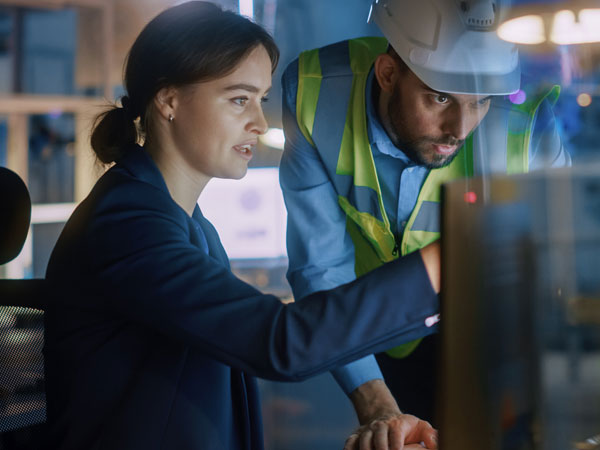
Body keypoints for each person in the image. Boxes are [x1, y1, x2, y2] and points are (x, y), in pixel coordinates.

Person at [42, 2, 443, 449]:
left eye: (261, 100)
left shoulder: (187, 223)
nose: (257, 123)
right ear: (169, 100)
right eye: (238, 99)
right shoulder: (128, 225)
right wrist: (438, 268)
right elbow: (279, 342)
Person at [279, 0, 571, 438]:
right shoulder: (313, 91)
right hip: (362, 328)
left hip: (487, 332)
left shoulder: (529, 115)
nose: (461, 127)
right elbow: (320, 266)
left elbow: (561, 263)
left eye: (481, 102)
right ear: (387, 74)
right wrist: (375, 403)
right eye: (439, 97)